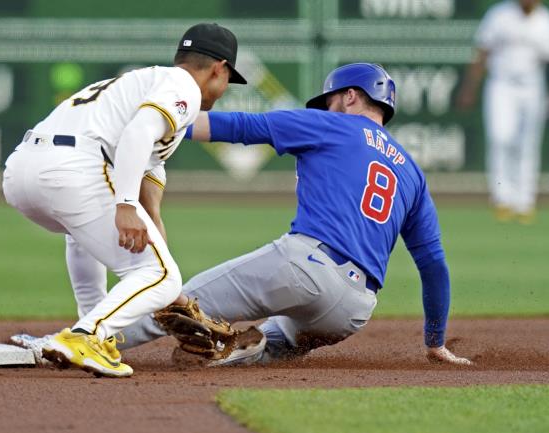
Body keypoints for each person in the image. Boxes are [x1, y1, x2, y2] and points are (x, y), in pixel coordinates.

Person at [113, 63, 472, 366]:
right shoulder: (411, 172)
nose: (325, 107)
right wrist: (434, 342)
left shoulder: (331, 124)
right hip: (352, 310)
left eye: (330, 99)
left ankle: (91, 339)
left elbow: (239, 127)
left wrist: (153, 123)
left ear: (350, 96)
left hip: (306, 268)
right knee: (277, 340)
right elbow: (433, 264)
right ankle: (249, 347)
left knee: (173, 298)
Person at [2, 23, 246, 377]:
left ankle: (93, 332)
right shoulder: (183, 88)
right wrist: (126, 205)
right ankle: (86, 336)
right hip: (73, 167)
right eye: (227, 80)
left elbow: (151, 209)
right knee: (161, 276)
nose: (223, 89)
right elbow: (139, 133)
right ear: (218, 69)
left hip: (21, 171)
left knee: (100, 244)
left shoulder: (136, 86)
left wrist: (166, 291)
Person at [457, 0, 549, 224]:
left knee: (528, 143)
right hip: (502, 84)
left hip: (532, 85)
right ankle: (502, 198)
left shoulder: (544, 20)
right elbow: (482, 53)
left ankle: (524, 201)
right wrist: (469, 87)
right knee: (500, 137)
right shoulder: (500, 15)